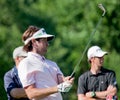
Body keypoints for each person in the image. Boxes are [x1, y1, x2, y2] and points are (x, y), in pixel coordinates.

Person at [18, 25, 74, 100]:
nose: (48, 44)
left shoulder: (52, 64)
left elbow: (61, 81)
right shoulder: (26, 63)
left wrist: (66, 81)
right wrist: (57, 88)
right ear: (34, 42)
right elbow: (31, 94)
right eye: (44, 40)